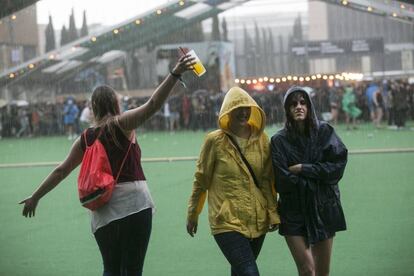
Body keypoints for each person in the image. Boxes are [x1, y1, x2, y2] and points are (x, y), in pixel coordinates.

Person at [19, 54, 195, 276]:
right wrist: (175, 73)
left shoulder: (86, 138)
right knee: (132, 270)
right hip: (135, 205)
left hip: (103, 210)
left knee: (110, 269)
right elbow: (152, 105)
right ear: (115, 103)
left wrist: (35, 197)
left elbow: (61, 170)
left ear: (93, 107)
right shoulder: (123, 124)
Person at [186, 86, 280, 276]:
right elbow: (201, 180)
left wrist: (273, 212)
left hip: (257, 219)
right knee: (249, 271)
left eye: (246, 108)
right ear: (228, 111)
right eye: (238, 108)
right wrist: (193, 212)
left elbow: (267, 181)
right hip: (226, 220)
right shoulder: (214, 141)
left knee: (239, 271)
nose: (243, 112)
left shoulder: (262, 140)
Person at [270, 86, 348, 276]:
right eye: (293, 103)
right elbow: (281, 180)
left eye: (303, 102)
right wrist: (316, 178)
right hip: (293, 211)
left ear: (309, 106)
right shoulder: (278, 141)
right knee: (306, 269)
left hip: (323, 206)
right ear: (287, 109)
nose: (299, 107)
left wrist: (304, 168)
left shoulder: (325, 132)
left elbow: (336, 167)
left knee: (322, 272)